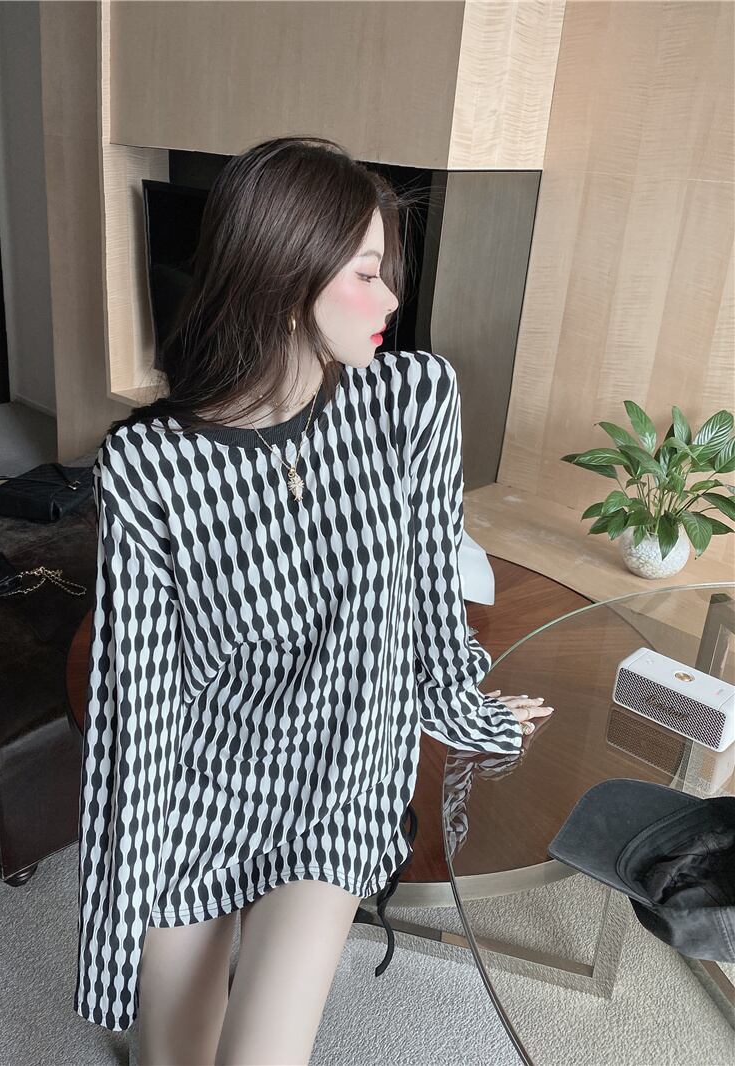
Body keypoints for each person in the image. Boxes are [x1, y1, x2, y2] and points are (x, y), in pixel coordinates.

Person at [72, 134, 554, 1065]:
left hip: (339, 777)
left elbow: (427, 593)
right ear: (285, 278)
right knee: (171, 1053)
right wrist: (120, 920)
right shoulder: (148, 468)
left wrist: (466, 710)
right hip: (205, 783)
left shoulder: (411, 401)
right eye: (367, 274)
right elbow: (138, 708)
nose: (392, 299)